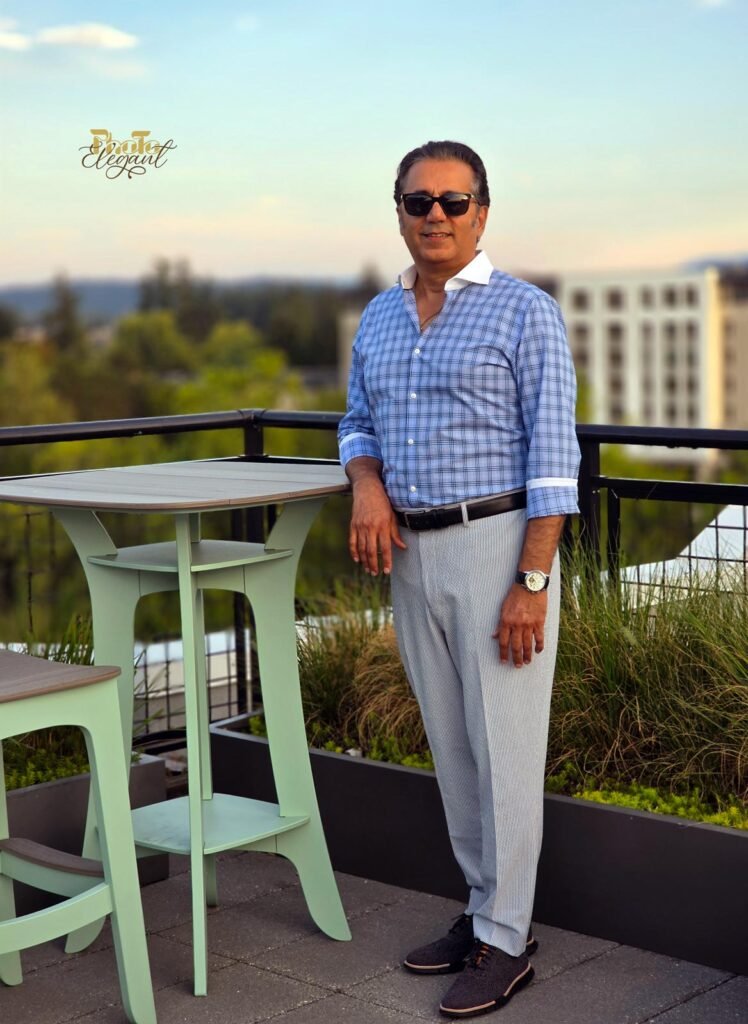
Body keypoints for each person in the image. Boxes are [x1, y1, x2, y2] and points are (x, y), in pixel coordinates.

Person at [337, 140, 580, 1018]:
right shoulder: (378, 316)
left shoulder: (526, 314)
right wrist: (367, 484)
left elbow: (555, 459)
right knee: (454, 744)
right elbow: (356, 423)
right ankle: (484, 915)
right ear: (397, 210)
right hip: (412, 554)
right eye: (418, 201)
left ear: (482, 211)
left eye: (453, 200)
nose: (434, 215)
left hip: (498, 545)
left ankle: (509, 940)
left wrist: (532, 582)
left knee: (508, 750)